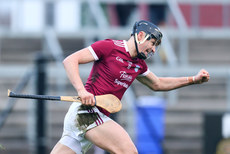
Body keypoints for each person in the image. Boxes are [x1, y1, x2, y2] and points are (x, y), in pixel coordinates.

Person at [50, 20, 210, 154]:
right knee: (129, 152)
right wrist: (81, 91)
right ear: (140, 36)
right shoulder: (110, 47)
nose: (153, 49)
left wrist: (193, 79)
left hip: (92, 117)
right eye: (152, 43)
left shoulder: (139, 65)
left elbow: (158, 84)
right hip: (86, 111)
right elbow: (70, 60)